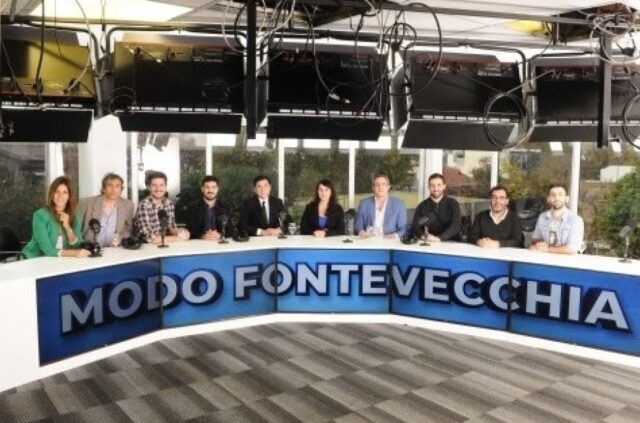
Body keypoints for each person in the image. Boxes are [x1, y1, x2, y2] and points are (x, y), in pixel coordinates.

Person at [22, 176, 90, 258]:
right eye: (57, 191)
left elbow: (77, 246)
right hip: (34, 260)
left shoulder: (75, 216)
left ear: (69, 196)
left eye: (65, 192)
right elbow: (47, 250)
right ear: (52, 194)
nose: (60, 196)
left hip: (59, 262)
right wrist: (73, 253)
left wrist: (68, 228)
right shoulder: (40, 215)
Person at [77, 173, 134, 247]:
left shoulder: (128, 205)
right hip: (90, 249)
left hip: (114, 250)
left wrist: (120, 239)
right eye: (110, 185)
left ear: (121, 189)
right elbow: (76, 228)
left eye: (117, 186)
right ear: (103, 188)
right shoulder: (86, 203)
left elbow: (128, 229)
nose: (114, 189)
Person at [133, 171, 190, 243]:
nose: (158, 188)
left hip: (164, 244)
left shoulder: (169, 204)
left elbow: (171, 227)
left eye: (161, 185)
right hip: (146, 246)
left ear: (165, 187)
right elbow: (149, 237)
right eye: (154, 185)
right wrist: (177, 238)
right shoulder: (144, 205)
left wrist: (181, 232)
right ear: (148, 187)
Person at [530, 184, 584, 254]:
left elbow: (572, 249)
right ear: (548, 199)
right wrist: (539, 243)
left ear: (566, 199)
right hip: (545, 258)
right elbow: (535, 238)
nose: (556, 198)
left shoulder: (576, 220)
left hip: (566, 260)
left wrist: (547, 249)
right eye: (553, 195)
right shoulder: (542, 217)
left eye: (560, 195)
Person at [411, 173, 461, 242]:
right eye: (432, 186)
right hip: (429, 242)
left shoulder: (453, 204)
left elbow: (456, 226)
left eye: (439, 185)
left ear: (444, 186)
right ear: (428, 187)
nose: (435, 189)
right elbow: (415, 226)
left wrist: (439, 238)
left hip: (450, 242)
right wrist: (423, 236)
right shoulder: (422, 206)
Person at [354, 172, 407, 238]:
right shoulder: (364, 204)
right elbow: (358, 226)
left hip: (390, 241)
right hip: (368, 240)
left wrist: (395, 235)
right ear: (373, 188)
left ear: (388, 187)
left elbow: (403, 228)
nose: (380, 187)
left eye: (383, 184)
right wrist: (361, 232)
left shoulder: (399, 205)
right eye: (377, 185)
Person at [184, 175, 227, 240]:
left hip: (219, 242)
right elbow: (189, 230)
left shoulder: (224, 207)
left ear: (217, 189)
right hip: (199, 243)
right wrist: (203, 236)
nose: (210, 190)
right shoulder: (192, 208)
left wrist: (219, 235)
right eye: (207, 187)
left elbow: (230, 229)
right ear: (202, 189)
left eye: (213, 187)